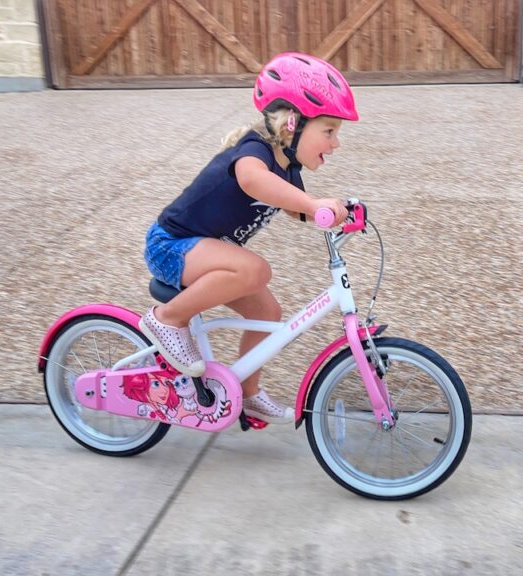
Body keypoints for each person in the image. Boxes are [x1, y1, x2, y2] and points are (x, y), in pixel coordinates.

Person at [139, 52, 359, 424]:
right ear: (293, 123)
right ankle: (168, 319)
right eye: (329, 131)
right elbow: (251, 179)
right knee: (255, 269)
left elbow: (298, 208)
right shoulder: (255, 149)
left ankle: (248, 392)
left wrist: (340, 210)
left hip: (206, 252)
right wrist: (311, 201)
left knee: (266, 314)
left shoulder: (287, 169)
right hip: (170, 246)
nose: (335, 143)